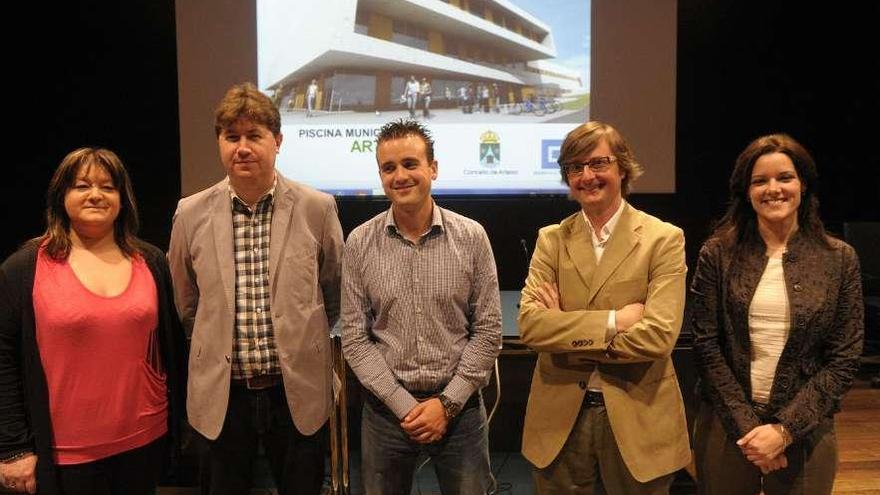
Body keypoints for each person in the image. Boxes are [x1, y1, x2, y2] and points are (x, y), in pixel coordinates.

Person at [168, 82, 343, 495]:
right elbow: (186, 301)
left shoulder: (317, 208)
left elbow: (334, 289)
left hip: (295, 391)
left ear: (277, 141)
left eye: (254, 136)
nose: (242, 147)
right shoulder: (190, 214)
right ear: (219, 143)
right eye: (231, 137)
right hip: (224, 395)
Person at [0, 147, 187, 495]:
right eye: (82, 185)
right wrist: (13, 448)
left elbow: (169, 346)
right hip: (64, 454)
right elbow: (4, 359)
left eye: (108, 186)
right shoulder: (24, 268)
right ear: (61, 196)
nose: (96, 195)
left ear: (122, 198)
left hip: (144, 440)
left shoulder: (150, 260)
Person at [518, 121, 690, 494]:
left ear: (622, 167)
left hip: (638, 417)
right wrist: (616, 320)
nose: (587, 176)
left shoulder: (663, 239)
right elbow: (531, 327)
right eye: (575, 168)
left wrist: (564, 328)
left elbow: (658, 338)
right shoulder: (552, 240)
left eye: (598, 163)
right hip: (559, 421)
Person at [690, 133, 863, 495]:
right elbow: (706, 345)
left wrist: (784, 430)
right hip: (727, 423)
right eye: (760, 180)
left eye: (784, 177)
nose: (773, 189)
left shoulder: (839, 258)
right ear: (745, 190)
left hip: (807, 425)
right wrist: (750, 431)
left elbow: (844, 357)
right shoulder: (716, 254)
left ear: (803, 184)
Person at [341, 119, 502, 494]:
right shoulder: (359, 242)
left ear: (433, 168)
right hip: (385, 415)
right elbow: (354, 339)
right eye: (388, 167)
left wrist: (446, 405)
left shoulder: (472, 236)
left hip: (460, 412)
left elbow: (489, 330)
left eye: (410, 164)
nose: (400, 175)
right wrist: (404, 407)